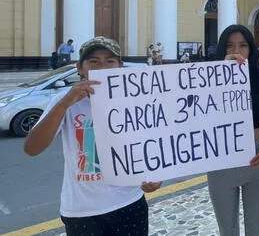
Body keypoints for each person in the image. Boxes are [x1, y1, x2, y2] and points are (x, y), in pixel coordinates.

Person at [23, 37, 162, 235]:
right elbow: (32, 148)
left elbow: (152, 144)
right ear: (80, 67)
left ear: (120, 66)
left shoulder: (135, 102)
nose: (102, 67)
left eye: (110, 61)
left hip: (129, 203)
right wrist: (64, 104)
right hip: (82, 211)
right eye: (93, 62)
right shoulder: (64, 102)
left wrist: (155, 177)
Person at [207, 25, 259, 236]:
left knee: (256, 229)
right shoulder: (206, 81)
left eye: (242, 45)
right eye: (229, 46)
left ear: (251, 49)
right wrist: (218, 75)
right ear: (222, 50)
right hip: (221, 160)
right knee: (227, 230)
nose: (235, 50)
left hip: (256, 158)